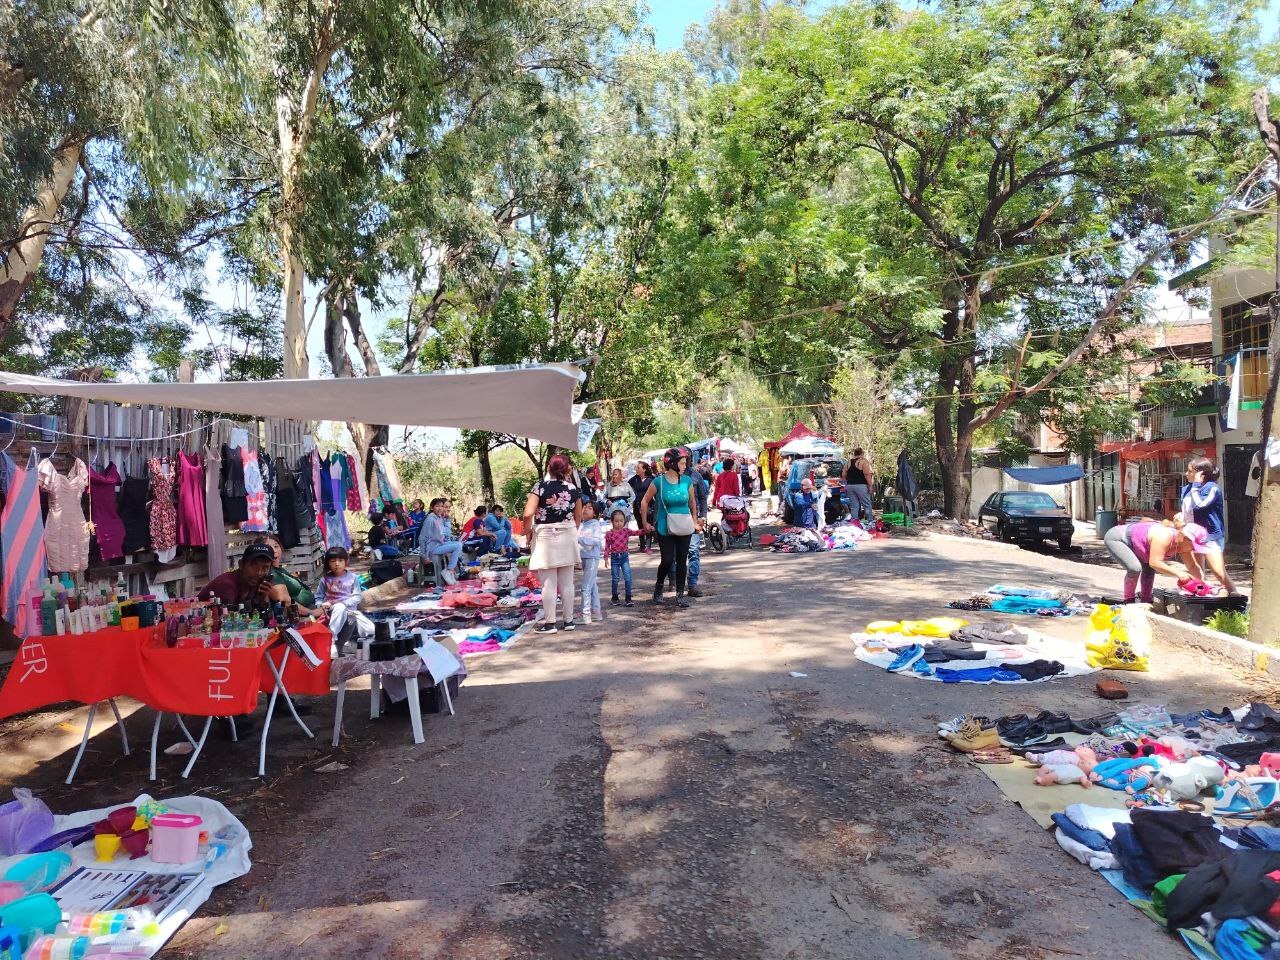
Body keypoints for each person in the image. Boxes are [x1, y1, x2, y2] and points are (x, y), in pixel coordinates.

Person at [1104, 518, 1227, 603]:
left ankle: (1146, 600)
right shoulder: (1165, 536)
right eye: (1194, 546)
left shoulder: (1183, 546)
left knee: (1149, 570)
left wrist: (1201, 585)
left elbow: (1193, 567)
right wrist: (1178, 573)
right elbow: (1155, 562)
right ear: (1185, 538)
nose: (1195, 550)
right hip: (1118, 538)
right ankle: (1128, 601)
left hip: (1139, 546)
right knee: (1135, 568)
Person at [525, 454, 583, 633]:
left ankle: (550, 623)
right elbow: (578, 516)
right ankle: (569, 621)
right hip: (567, 534)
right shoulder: (573, 489)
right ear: (567, 470)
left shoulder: (540, 487)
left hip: (545, 537)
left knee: (548, 584)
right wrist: (570, 530)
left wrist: (528, 532)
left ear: (549, 468)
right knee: (567, 583)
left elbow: (528, 513)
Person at [639, 448, 701, 608]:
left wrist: (695, 521)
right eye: (681, 463)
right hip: (665, 526)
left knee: (682, 560)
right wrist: (645, 523)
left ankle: (680, 595)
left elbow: (692, 503)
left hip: (684, 525)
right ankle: (658, 588)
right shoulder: (658, 482)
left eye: (685, 463)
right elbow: (644, 501)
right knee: (667, 560)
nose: (684, 466)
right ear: (672, 464)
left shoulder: (687, 480)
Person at [199, 543, 291, 610]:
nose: (259, 572)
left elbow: (262, 618)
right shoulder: (227, 585)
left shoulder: (256, 583)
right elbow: (226, 624)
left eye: (265, 567)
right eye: (253, 565)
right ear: (241, 565)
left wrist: (264, 598)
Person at [259, 534, 316, 608]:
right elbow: (286, 603)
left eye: (276, 546)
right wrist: (312, 612)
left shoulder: (279, 569)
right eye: (269, 548)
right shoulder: (271, 574)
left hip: (313, 604)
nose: (274, 551)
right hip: (305, 612)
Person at [1180, 457, 1225, 550]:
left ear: (1201, 474)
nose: (1186, 474)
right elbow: (1187, 509)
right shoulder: (1186, 489)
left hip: (1210, 536)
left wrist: (1196, 486)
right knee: (1196, 565)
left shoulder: (1212, 488)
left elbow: (1199, 506)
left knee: (1214, 564)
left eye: (1190, 471)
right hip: (1191, 533)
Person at [419, 497, 464, 585]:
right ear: (432, 507)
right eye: (437, 506)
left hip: (439, 544)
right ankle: (449, 570)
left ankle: (450, 571)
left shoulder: (438, 518)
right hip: (432, 548)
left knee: (459, 544)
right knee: (458, 545)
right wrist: (424, 556)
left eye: (442, 506)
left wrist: (447, 519)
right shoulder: (430, 519)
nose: (440, 508)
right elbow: (423, 538)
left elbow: (446, 533)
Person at [577, 501, 606, 625]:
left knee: (586, 587)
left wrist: (579, 539)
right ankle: (596, 612)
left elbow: (596, 541)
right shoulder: (582, 524)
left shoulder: (595, 525)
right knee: (592, 585)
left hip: (592, 558)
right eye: (584, 507)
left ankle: (586, 614)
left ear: (595, 513)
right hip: (584, 557)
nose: (585, 509)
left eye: (590, 508)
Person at [686, 458, 710, 598]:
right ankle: (674, 580)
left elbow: (702, 497)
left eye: (686, 460)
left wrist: (703, 516)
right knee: (676, 555)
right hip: (676, 521)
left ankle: (692, 584)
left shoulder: (696, 476)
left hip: (693, 521)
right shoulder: (669, 478)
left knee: (694, 551)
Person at [606, 509, 639, 606]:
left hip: (624, 558)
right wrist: (605, 558)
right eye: (616, 521)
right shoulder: (609, 534)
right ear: (612, 521)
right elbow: (607, 546)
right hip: (614, 558)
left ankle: (628, 598)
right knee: (615, 578)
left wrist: (646, 529)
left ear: (624, 521)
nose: (619, 523)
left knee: (628, 578)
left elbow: (636, 533)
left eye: (621, 521)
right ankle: (614, 597)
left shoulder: (626, 531)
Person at [629, 460, 654, 553]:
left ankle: (648, 545)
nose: (636, 469)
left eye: (638, 467)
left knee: (648, 524)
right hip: (637, 505)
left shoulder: (651, 480)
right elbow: (627, 486)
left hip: (649, 506)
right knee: (640, 525)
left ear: (644, 469)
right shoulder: (634, 479)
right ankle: (642, 544)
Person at [845, 448, 874, 524]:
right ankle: (870, 521)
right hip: (861, 485)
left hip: (850, 485)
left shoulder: (848, 462)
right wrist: (870, 486)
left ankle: (854, 522)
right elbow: (867, 474)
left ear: (854, 453)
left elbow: (844, 474)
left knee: (854, 505)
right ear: (862, 453)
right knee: (866, 504)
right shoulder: (863, 461)